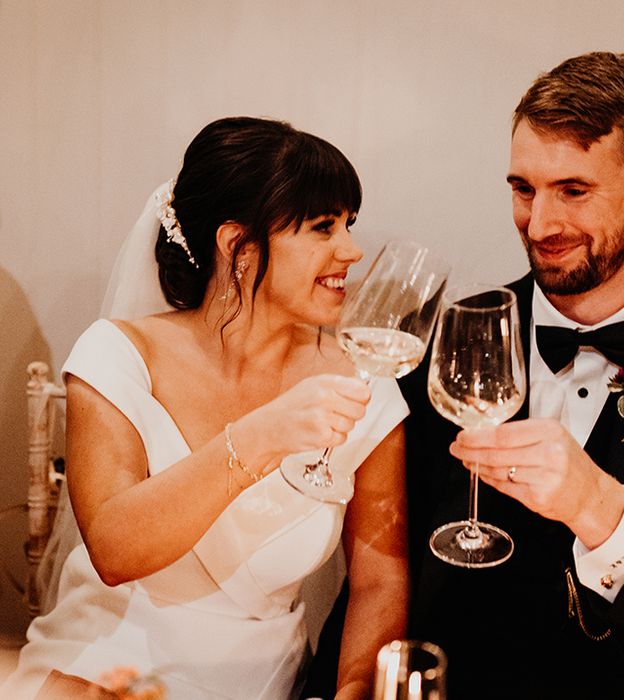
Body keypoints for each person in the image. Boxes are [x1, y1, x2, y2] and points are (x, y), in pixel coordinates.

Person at [400, 52, 624, 697]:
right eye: (523, 189)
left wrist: (600, 509)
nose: (539, 225)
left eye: (573, 190)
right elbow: (387, 567)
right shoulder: (441, 338)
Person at [2, 117, 409, 700]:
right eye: (323, 227)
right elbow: (116, 551)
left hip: (263, 683)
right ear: (236, 244)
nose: (352, 249)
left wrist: (353, 688)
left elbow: (380, 575)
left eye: (349, 223)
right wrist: (262, 435)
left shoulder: (365, 380)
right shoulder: (119, 354)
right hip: (101, 674)